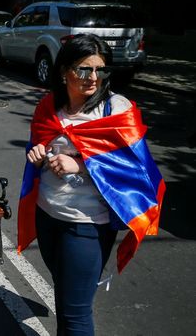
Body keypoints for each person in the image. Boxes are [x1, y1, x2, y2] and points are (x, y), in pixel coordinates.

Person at [18, 34, 165, 335]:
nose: (93, 77)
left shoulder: (116, 109)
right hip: (47, 216)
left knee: (75, 313)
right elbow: (40, 143)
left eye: (100, 69)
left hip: (86, 225)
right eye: (84, 69)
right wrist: (36, 154)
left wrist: (82, 165)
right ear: (64, 71)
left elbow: (138, 170)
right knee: (64, 296)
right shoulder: (49, 106)